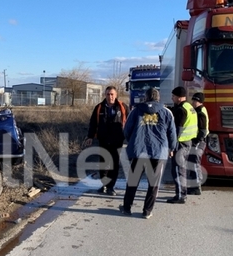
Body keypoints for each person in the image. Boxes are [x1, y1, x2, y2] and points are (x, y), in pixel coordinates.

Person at [119, 88, 177, 219]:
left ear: (145, 97)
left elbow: (127, 129)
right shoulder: (167, 112)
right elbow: (172, 133)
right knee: (154, 184)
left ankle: (127, 208)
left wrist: (133, 142)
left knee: (133, 181)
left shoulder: (136, 111)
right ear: (158, 98)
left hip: (139, 151)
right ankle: (147, 211)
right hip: (159, 153)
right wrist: (171, 149)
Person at [84, 86, 128, 196]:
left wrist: (131, 137)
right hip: (103, 139)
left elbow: (129, 122)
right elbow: (93, 123)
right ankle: (104, 184)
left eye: (112, 94)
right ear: (105, 95)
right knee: (103, 163)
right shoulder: (99, 108)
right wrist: (90, 137)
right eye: (108, 94)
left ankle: (110, 187)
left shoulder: (122, 107)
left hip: (117, 140)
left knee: (114, 164)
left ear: (116, 95)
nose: (110, 96)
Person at [167, 86, 198, 204]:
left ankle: (180, 195)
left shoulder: (181, 110)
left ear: (179, 98)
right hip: (188, 142)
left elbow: (177, 130)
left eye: (173, 96)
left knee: (178, 169)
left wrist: (172, 146)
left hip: (180, 143)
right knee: (181, 168)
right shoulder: (189, 107)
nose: (172, 98)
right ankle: (180, 193)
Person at [188, 92, 209, 195]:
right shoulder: (200, 110)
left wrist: (197, 141)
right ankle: (195, 185)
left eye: (194, 101)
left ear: (198, 101)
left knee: (194, 164)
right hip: (199, 141)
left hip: (198, 142)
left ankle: (196, 187)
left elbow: (203, 130)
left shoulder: (200, 112)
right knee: (195, 163)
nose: (192, 102)